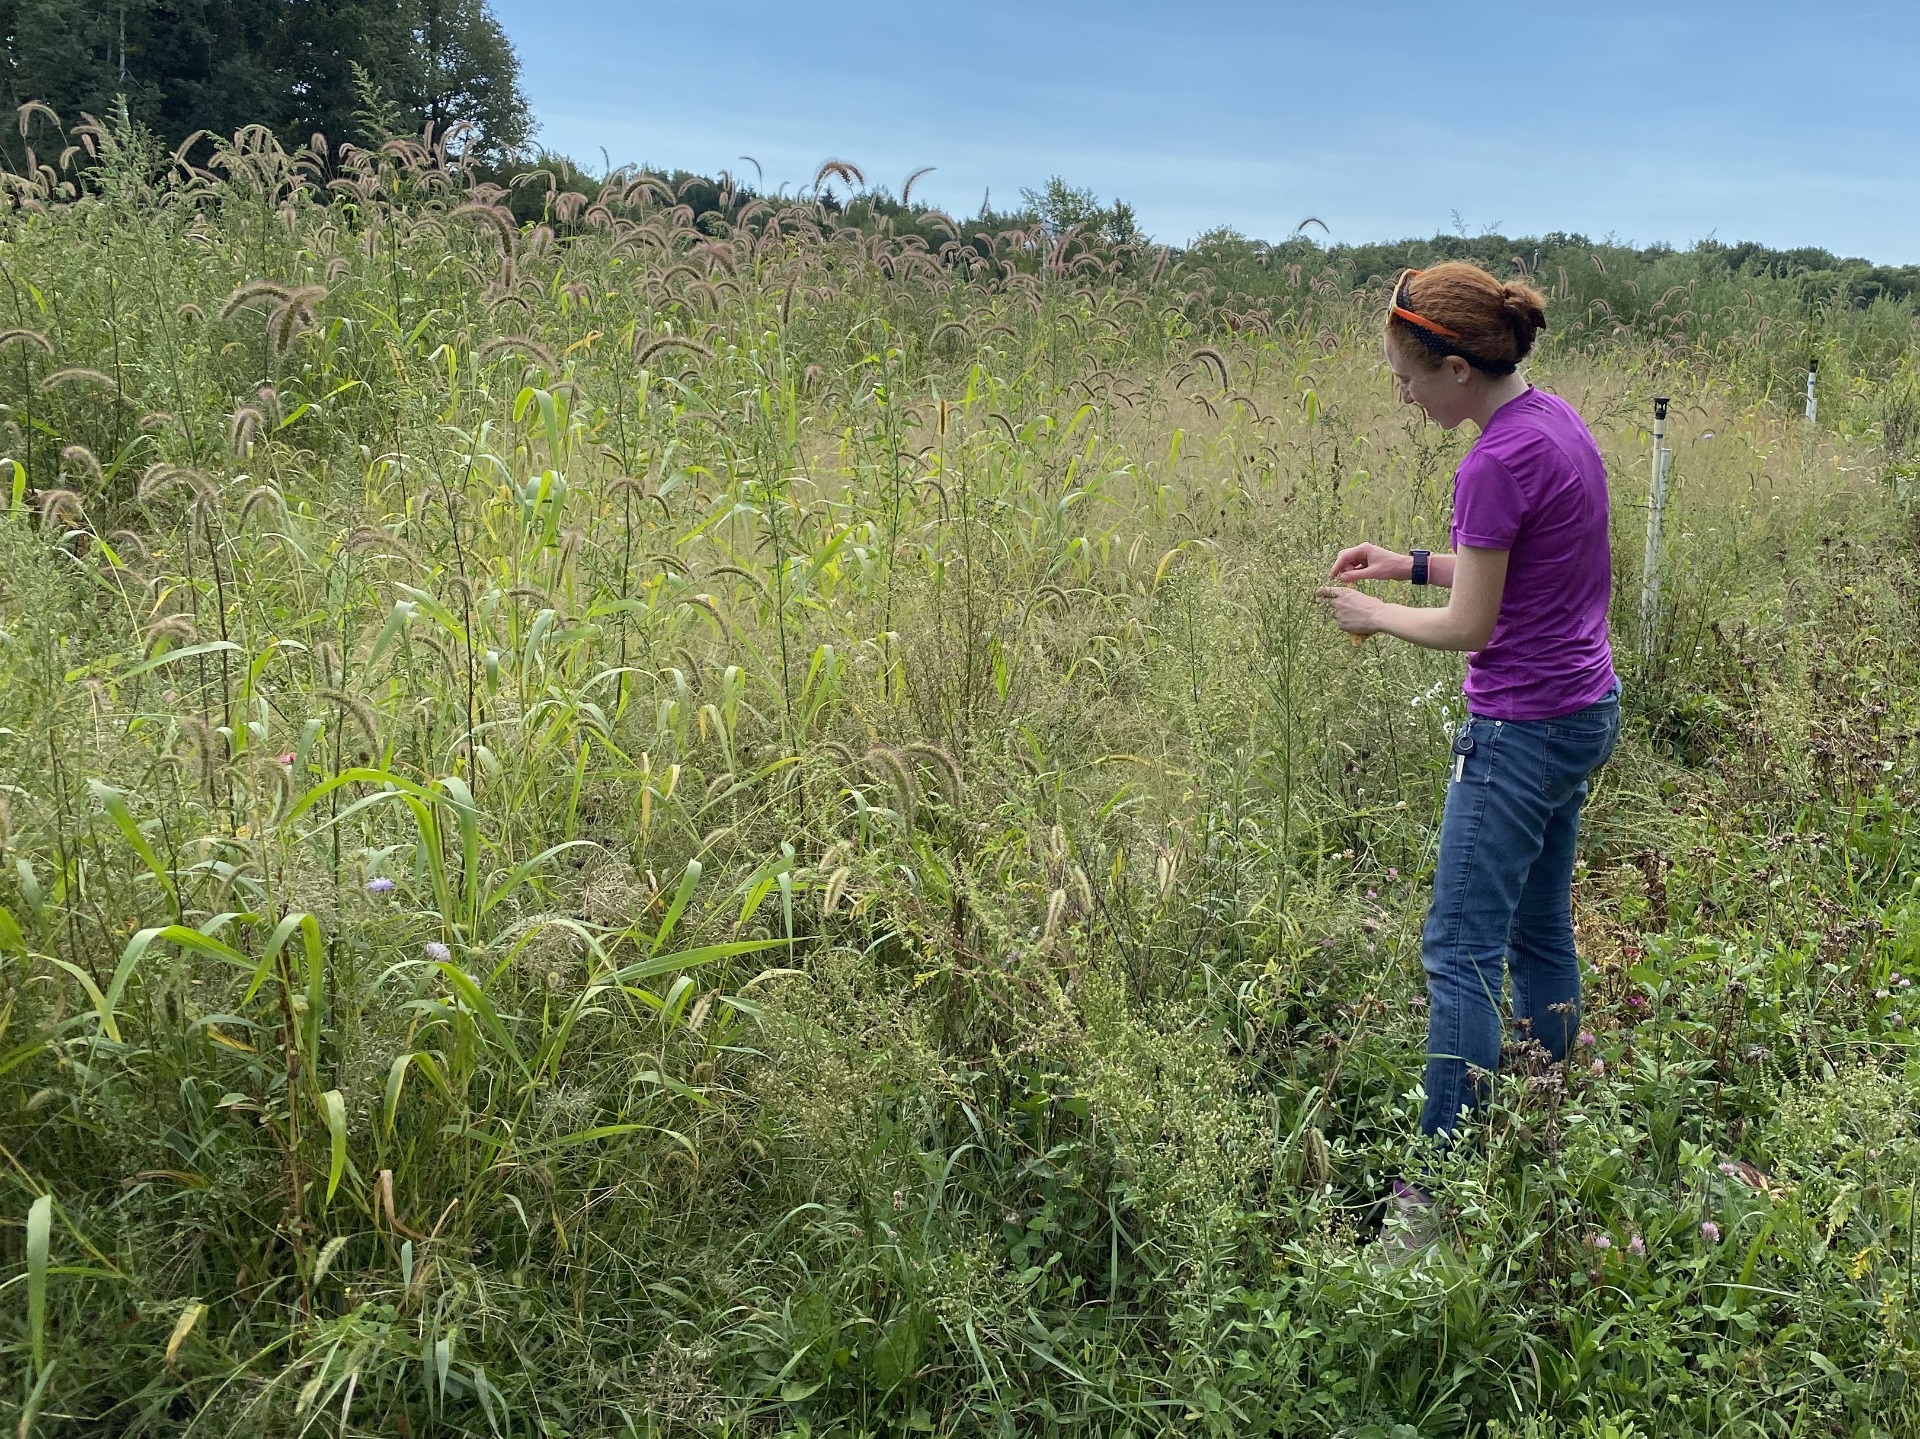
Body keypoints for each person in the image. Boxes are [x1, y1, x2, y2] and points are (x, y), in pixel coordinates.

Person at [1315, 261, 1621, 1251]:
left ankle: (1432, 1201)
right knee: (1537, 923)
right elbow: (1506, 565)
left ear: (1453, 367)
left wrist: (1377, 613)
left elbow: (1474, 621)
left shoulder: (1490, 461)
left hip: (1522, 729)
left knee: (1458, 953)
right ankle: (1561, 1097)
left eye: (1406, 374)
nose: (1400, 391)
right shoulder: (1554, 423)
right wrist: (1403, 560)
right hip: (1584, 710)